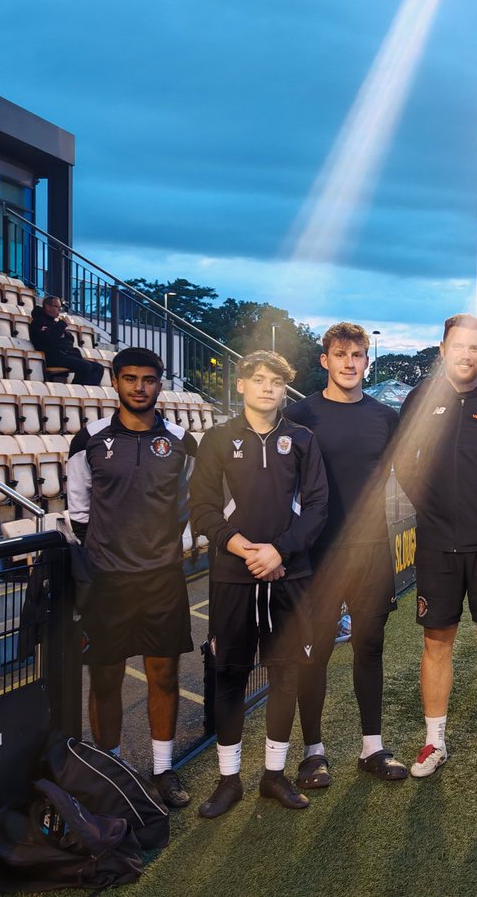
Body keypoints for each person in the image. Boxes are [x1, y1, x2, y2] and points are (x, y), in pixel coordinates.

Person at [190, 350, 328, 817]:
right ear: (242, 385)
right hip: (233, 576)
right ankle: (229, 780)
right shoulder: (216, 438)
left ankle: (274, 774)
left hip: (289, 574)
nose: (267, 388)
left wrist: (279, 551)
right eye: (259, 379)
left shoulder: (302, 439)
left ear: (283, 389)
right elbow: (202, 509)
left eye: (276, 381)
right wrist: (242, 549)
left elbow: (316, 509)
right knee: (228, 672)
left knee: (286, 671)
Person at [396, 314, 477, 779]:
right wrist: (429, 506)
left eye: (476, 347)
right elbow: (402, 462)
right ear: (443, 348)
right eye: (460, 347)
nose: (468, 355)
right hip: (435, 546)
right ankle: (434, 743)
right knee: (436, 643)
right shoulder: (420, 399)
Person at [67, 347, 194, 808]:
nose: (140, 387)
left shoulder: (181, 440)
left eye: (149, 379)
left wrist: (165, 546)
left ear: (161, 383)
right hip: (107, 581)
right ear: (115, 383)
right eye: (130, 378)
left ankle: (163, 769)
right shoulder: (89, 439)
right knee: (105, 678)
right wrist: (106, 553)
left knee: (164, 674)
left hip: (162, 577)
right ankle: (112, 771)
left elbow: (186, 502)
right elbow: (78, 510)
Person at [283, 322, 404, 785]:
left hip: (371, 550)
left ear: (366, 362)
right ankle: (314, 753)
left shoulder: (384, 418)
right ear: (325, 361)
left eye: (357, 355)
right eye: (341, 354)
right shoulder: (299, 416)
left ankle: (371, 747)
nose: (349, 363)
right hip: (316, 554)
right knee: (312, 653)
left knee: (369, 647)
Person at [29, 295, 104, 385]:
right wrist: (62, 326)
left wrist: (61, 333)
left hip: (64, 354)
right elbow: (48, 338)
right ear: (47, 307)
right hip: (51, 356)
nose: (59, 309)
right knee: (85, 366)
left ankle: (87, 391)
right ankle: (76, 392)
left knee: (98, 367)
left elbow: (69, 340)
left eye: (60, 307)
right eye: (56, 306)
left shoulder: (54, 323)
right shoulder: (38, 322)